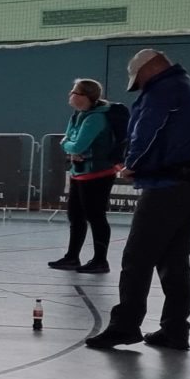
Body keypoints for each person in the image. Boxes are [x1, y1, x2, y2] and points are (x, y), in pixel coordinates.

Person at [87, 49, 190, 351]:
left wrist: (132, 164)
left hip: (168, 186)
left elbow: (148, 130)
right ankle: (175, 329)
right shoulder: (189, 88)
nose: (139, 86)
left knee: (137, 257)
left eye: (139, 80)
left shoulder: (163, 90)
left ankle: (125, 326)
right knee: (174, 258)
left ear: (151, 68)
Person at [52, 78, 122, 274]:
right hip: (79, 173)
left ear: (85, 97)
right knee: (75, 216)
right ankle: (72, 257)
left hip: (98, 174)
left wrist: (68, 145)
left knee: (96, 216)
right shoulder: (78, 115)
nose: (70, 94)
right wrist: (70, 146)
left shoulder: (95, 119)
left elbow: (75, 144)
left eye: (74, 91)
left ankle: (100, 260)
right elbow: (70, 141)